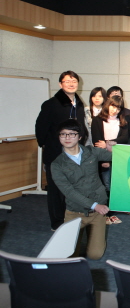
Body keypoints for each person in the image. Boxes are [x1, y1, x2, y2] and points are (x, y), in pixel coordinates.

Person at [51, 120, 111, 260]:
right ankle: (83, 238)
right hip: (75, 212)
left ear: (80, 137)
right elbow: (69, 192)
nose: (67, 137)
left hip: (97, 214)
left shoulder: (91, 152)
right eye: (63, 134)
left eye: (72, 134)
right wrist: (94, 205)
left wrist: (113, 147)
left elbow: (119, 156)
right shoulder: (57, 164)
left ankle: (92, 237)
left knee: (95, 255)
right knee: (68, 255)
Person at [36, 70, 87, 230]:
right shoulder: (51, 104)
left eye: (74, 81)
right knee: (56, 190)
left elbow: (81, 127)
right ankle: (57, 222)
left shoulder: (79, 104)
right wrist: (49, 147)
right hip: (56, 154)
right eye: (67, 81)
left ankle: (70, 218)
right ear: (60, 84)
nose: (71, 84)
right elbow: (41, 129)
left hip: (75, 154)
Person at [91, 95, 128, 193]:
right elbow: (97, 142)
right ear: (108, 105)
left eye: (118, 108)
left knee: (118, 185)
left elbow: (124, 138)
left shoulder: (123, 121)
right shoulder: (97, 120)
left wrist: (107, 143)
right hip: (103, 158)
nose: (114, 110)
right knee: (106, 186)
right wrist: (104, 159)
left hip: (118, 158)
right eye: (113, 106)